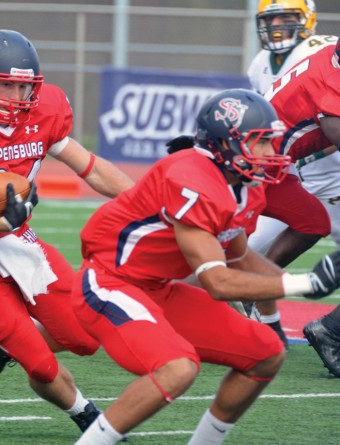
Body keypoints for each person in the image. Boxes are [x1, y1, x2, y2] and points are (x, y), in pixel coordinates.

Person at [70, 88, 340, 445]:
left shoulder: (247, 186)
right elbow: (216, 282)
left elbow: (240, 257)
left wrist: (294, 286)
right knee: (177, 368)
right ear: (224, 146)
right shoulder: (191, 179)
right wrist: (302, 283)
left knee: (266, 353)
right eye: (259, 143)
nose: (270, 153)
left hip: (156, 288)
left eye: (271, 142)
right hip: (108, 281)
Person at [0, 29, 134, 433]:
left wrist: (147, 201)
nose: (15, 97)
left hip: (18, 240)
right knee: (42, 366)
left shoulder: (44, 112)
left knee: (85, 337)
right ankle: (86, 415)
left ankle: (7, 344)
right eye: (6, 85)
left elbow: (93, 167)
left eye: (23, 86)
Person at [245, 0, 336, 347]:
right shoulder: (266, 63)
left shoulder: (321, 48)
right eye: (273, 18)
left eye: (287, 17)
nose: (279, 25)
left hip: (288, 169)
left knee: (239, 253)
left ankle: (261, 309)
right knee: (226, 252)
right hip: (271, 167)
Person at [262, 38, 340, 377]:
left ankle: (257, 293)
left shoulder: (330, 57)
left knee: (313, 222)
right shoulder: (332, 83)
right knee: (215, 265)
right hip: (252, 167)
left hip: (275, 164)